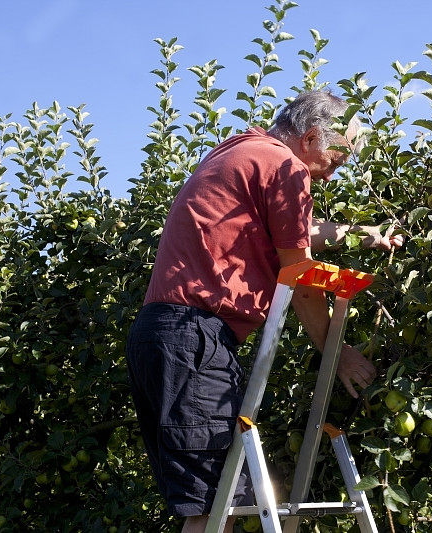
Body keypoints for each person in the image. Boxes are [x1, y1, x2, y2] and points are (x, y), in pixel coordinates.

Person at [125, 90, 403, 533]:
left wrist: (362, 234)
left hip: (164, 336)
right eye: (335, 161)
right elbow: (300, 276)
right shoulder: (287, 168)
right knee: (215, 507)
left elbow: (295, 231)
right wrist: (338, 352)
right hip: (196, 337)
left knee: (208, 501)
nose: (330, 177)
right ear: (312, 137)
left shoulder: (245, 152)